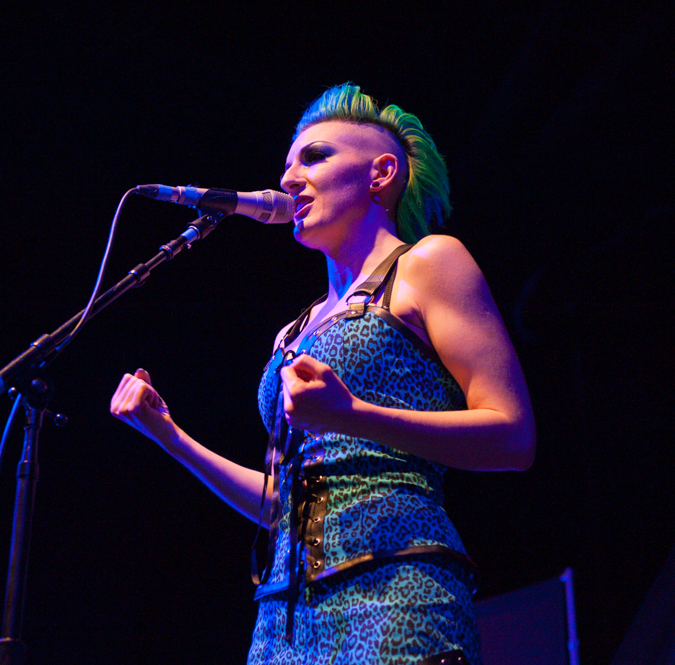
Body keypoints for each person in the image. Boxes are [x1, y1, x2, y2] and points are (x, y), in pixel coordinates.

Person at [110, 83, 535, 665]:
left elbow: (513, 436)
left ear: (381, 173)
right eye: (288, 166)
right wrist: (170, 436)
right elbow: (281, 504)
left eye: (315, 157)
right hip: (282, 616)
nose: (288, 180)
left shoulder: (428, 263)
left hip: (394, 586)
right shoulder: (293, 333)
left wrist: (353, 415)